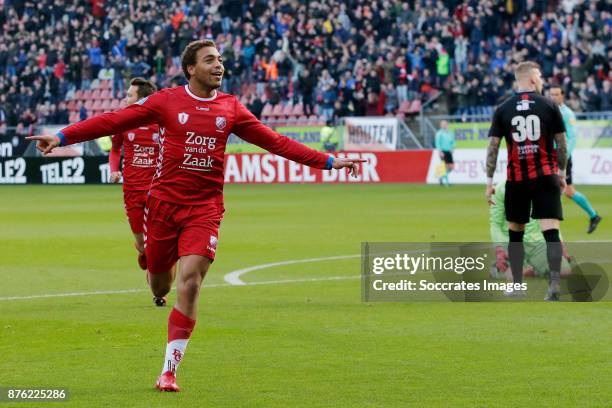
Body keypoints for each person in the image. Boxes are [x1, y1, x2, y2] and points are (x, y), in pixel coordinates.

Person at [27, 39, 365, 393]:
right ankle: (156, 264)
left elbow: (275, 142)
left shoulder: (231, 107)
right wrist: (62, 136)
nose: (218, 65)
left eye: (220, 60)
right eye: (209, 60)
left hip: (204, 209)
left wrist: (328, 161)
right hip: (162, 207)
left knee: (191, 281)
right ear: (191, 68)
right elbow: (114, 120)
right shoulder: (166, 101)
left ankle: (169, 370)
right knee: (161, 284)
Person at [485, 61, 568, 301]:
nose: (541, 80)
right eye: (540, 76)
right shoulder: (550, 105)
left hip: (517, 180)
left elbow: (492, 148)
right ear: (532, 79)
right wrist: (561, 174)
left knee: (515, 232)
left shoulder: (503, 108)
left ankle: (517, 285)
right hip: (545, 176)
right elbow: (561, 145)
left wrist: (489, 181)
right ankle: (553, 286)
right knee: (551, 230)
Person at [108, 77, 168, 306]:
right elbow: (115, 149)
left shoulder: (161, 122)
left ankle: (158, 289)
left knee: (158, 243)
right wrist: (114, 170)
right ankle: (144, 253)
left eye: (129, 95)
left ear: (142, 99)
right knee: (143, 244)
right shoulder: (123, 122)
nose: (125, 98)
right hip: (132, 190)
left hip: (158, 189)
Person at [489, 182, 571, 281]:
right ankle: (500, 268)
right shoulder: (500, 189)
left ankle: (531, 270)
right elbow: (495, 224)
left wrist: (560, 246)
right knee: (511, 276)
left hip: (537, 243)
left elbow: (552, 222)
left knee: (565, 272)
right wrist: (500, 250)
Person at [548, 86, 602, 233]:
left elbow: (571, 138)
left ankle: (549, 224)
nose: (553, 97)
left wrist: (564, 156)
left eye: (556, 94)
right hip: (550, 155)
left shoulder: (567, 113)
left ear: (562, 96)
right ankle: (594, 216)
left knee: (558, 189)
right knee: (568, 191)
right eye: (551, 94)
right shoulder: (549, 111)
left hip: (561, 158)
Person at [434, 120, 455, 186]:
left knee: (451, 167)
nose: (444, 125)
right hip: (443, 151)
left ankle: (441, 177)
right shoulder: (439, 133)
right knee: (445, 167)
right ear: (441, 125)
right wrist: (440, 151)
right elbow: (437, 143)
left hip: (449, 151)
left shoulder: (450, 133)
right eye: (443, 124)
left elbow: (453, 141)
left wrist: (452, 148)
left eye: (445, 124)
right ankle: (447, 182)